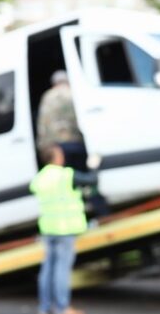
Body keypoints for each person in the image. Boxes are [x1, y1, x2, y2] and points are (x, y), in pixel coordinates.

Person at [29, 146, 100, 314]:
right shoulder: (65, 175)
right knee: (62, 270)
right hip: (65, 228)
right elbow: (91, 180)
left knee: (47, 269)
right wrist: (94, 165)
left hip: (48, 228)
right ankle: (62, 309)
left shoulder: (40, 178)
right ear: (57, 158)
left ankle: (45, 308)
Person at [37, 70, 110, 219]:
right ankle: (102, 211)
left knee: (68, 184)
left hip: (57, 149)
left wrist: (45, 151)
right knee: (86, 179)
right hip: (75, 143)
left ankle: (79, 214)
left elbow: (42, 127)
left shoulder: (47, 97)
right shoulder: (73, 93)